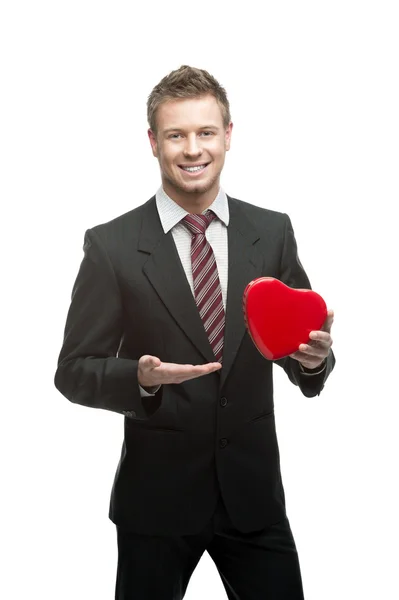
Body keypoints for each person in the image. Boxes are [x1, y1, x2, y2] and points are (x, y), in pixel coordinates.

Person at [54, 65, 335, 600]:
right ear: (153, 143)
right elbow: (72, 370)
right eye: (175, 134)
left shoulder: (271, 232)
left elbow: (296, 354)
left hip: (252, 498)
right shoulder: (111, 247)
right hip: (156, 502)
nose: (192, 149)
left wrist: (314, 358)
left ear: (228, 136)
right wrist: (139, 377)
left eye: (206, 132)